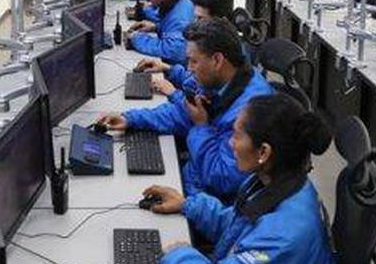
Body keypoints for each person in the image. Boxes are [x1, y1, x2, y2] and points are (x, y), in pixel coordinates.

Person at [142, 94, 336, 264]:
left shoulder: (283, 236)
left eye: (236, 135)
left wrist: (179, 255)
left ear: (263, 152)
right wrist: (187, 205)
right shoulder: (274, 181)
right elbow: (237, 227)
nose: (229, 143)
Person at [99, 19, 274, 200]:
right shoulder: (221, 81)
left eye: (193, 61)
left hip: (210, 200)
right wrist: (130, 119)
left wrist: (200, 126)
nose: (189, 69)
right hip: (195, 179)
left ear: (217, 60)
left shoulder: (251, 110)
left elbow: (222, 179)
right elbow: (183, 113)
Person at [137, 0, 235, 98]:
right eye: (195, 18)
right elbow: (194, 81)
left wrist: (174, 93)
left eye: (201, 19)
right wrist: (168, 69)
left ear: (222, 21)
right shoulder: (215, 45)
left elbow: (208, 110)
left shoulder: (226, 60)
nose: (195, 24)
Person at [126, 0, 194, 64]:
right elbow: (174, 30)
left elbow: (175, 51)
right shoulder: (178, 3)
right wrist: (157, 28)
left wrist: (136, 38)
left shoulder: (180, 17)